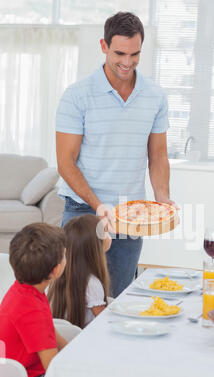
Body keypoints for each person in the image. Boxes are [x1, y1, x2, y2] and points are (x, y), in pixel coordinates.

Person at [56, 11, 177, 298]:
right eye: (119, 53)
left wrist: (162, 198)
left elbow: (158, 156)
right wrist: (99, 205)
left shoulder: (155, 96)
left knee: (118, 298)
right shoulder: (77, 95)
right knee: (74, 299)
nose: (127, 62)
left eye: (135, 54)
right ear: (103, 46)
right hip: (83, 211)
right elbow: (65, 163)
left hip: (129, 214)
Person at [0, 223, 67, 377]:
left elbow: (48, 332)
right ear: (55, 270)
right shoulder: (32, 309)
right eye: (64, 255)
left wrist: (72, 350)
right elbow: (53, 367)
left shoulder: (26, 289)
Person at [48, 214, 111, 328]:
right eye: (105, 233)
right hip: (84, 339)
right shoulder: (92, 283)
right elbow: (105, 323)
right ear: (95, 247)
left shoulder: (57, 275)